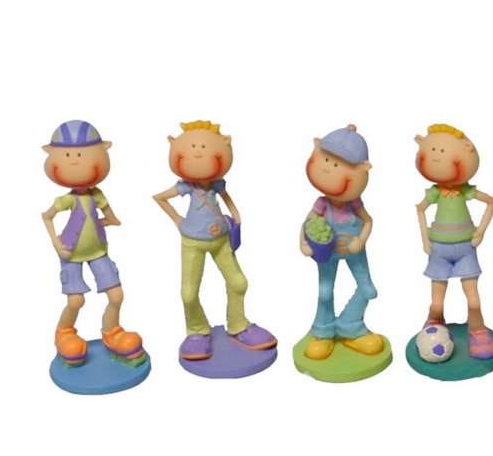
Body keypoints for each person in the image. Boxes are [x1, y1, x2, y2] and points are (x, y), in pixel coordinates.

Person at [153, 120, 276, 360]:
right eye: (193, 147)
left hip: (221, 240)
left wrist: (236, 215)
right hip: (192, 242)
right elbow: (159, 198)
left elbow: (227, 198)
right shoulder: (186, 187)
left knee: (238, 282)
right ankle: (197, 331)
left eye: (203, 147)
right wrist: (178, 220)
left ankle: (238, 325)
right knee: (189, 293)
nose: (198, 152)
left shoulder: (217, 184)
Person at [41, 120, 143, 366]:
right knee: (76, 300)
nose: (75, 161)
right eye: (68, 155)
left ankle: (112, 332)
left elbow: (109, 216)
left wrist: (108, 222)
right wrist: (56, 243)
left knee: (116, 295)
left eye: (80, 155)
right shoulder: (68, 199)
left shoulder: (97, 195)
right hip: (70, 252)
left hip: (98, 251)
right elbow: (47, 216)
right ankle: (64, 332)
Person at [414, 123, 493, 359]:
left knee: (473, 301)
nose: (436, 156)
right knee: (436, 304)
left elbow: (492, 201)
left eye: (441, 151)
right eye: (432, 151)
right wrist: (424, 238)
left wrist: (481, 231)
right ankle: (434, 323)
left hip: (465, 250)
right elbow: (419, 209)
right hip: (439, 250)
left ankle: (478, 331)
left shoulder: (464, 190)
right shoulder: (435, 192)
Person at [299, 124, 383, 360]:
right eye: (326, 161)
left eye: (336, 165)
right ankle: (323, 332)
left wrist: (361, 240)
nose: (328, 169)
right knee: (325, 292)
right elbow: (307, 223)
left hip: (354, 250)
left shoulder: (354, 203)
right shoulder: (321, 204)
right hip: (326, 251)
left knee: (368, 289)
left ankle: (350, 327)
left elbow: (368, 221)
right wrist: (303, 243)